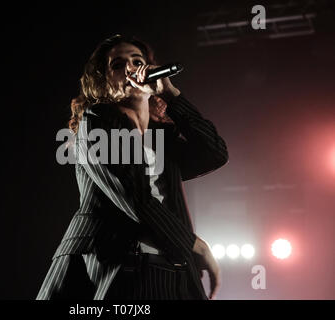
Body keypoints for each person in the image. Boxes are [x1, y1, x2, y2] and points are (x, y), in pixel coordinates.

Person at [36, 34, 229, 300]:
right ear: (104, 81)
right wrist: (195, 245)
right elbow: (136, 199)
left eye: (137, 61)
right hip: (119, 267)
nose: (131, 68)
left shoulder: (160, 140)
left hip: (171, 268)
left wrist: (172, 96)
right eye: (117, 65)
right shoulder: (96, 124)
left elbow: (215, 152)